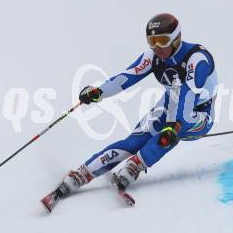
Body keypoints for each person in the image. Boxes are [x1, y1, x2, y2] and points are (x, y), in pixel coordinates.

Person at [41, 13, 219, 212]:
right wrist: (98, 92)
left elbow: (189, 94)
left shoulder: (197, 58)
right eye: (152, 41)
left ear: (176, 38)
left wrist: (174, 124)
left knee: (168, 135)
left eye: (162, 41)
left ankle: (135, 165)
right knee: (134, 141)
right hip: (171, 102)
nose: (157, 47)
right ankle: (82, 173)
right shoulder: (153, 57)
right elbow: (127, 77)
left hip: (199, 113)